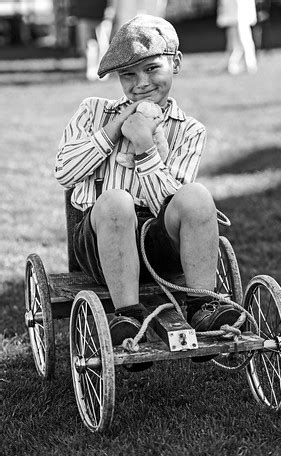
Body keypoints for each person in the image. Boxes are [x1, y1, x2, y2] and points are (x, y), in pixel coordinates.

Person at [55, 15, 240, 356]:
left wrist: (146, 149)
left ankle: (203, 305)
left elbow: (169, 204)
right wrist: (116, 128)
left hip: (158, 243)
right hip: (98, 242)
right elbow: (65, 172)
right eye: (129, 74)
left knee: (196, 196)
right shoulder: (93, 111)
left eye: (153, 69)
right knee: (116, 201)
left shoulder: (189, 130)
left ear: (176, 63)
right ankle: (126, 315)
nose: (141, 83)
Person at [69, 0, 115, 81]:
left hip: (103, 17)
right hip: (84, 16)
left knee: (103, 45)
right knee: (89, 46)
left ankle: (103, 72)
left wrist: (110, 9)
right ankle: (91, 71)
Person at [217, 0, 258, 75]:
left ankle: (249, 64)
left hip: (241, 13)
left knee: (244, 39)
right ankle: (233, 64)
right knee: (232, 40)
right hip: (233, 13)